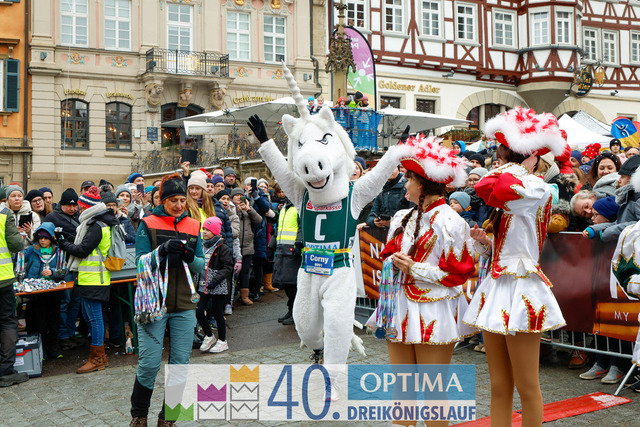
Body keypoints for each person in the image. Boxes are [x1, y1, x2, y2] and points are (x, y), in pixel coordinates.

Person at [463, 107, 566, 426]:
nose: (498, 161)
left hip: (523, 288)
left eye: (503, 153)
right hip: (498, 285)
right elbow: (486, 188)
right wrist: (484, 243)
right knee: (499, 385)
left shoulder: (538, 188)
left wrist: (520, 163)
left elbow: (496, 186)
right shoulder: (509, 190)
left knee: (527, 386)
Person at [366, 135, 475, 427]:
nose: (404, 183)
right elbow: (389, 256)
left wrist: (415, 268)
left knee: (433, 392)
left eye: (409, 178)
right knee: (402, 391)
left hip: (433, 309)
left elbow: (457, 275)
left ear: (424, 184)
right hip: (399, 307)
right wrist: (395, 263)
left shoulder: (452, 222)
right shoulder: (402, 216)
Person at [129, 174, 204, 426]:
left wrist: (190, 258)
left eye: (183, 200)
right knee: (149, 364)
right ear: (163, 200)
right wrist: (160, 251)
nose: (179, 205)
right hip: (153, 304)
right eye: (173, 200)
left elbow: (201, 264)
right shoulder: (148, 223)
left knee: (180, 364)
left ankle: (168, 419)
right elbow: (139, 263)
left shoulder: (193, 225)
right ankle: (139, 416)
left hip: (185, 304)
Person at [56, 186, 120, 374]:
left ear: (90, 208)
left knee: (95, 319)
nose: (80, 210)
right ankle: (100, 356)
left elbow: (82, 250)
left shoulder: (97, 225)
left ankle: (97, 358)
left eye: (83, 207)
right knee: (92, 318)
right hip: (91, 278)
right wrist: (67, 239)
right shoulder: (97, 223)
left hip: (94, 279)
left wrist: (62, 242)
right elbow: (85, 245)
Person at [43, 188, 83, 350]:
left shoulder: (80, 217)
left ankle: (71, 332)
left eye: (75, 206)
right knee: (64, 301)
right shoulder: (52, 218)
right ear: (62, 205)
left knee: (76, 302)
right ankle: (63, 335)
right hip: (62, 266)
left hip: (79, 264)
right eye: (69, 206)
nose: (72, 209)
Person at [21, 222, 66, 360]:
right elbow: (18, 258)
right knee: (39, 323)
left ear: (52, 238)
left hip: (53, 293)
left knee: (54, 322)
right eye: (40, 238)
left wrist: (53, 272)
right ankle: (41, 349)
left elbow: (65, 270)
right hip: (36, 294)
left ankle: (54, 348)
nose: (42, 241)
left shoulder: (58, 251)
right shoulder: (31, 250)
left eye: (46, 238)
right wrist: (20, 242)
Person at [0, 199, 28, 387]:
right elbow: (17, 245)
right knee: (8, 322)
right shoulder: (4, 214)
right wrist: (20, 236)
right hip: (3, 278)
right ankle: (5, 371)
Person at [196, 217, 233, 353]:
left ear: (215, 232)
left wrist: (216, 280)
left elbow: (227, 267)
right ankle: (209, 336)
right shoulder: (201, 245)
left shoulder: (223, 247)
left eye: (208, 230)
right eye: (204, 229)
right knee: (198, 310)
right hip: (202, 284)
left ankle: (223, 341)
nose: (204, 232)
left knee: (218, 313)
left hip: (218, 285)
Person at [270, 199, 302, 325]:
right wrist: (271, 246)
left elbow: (303, 227)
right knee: (286, 284)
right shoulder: (284, 208)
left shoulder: (298, 207)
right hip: (282, 251)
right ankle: (291, 310)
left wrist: (298, 244)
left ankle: (296, 313)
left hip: (293, 252)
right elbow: (279, 228)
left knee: (293, 285)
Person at [230, 187, 262, 305]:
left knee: (245, 272)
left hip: (248, 246)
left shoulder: (247, 209)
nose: (239, 197)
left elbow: (259, 220)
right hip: (234, 246)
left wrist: (249, 209)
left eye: (241, 195)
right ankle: (230, 298)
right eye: (236, 195)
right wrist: (237, 210)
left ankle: (244, 296)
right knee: (232, 273)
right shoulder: (230, 209)